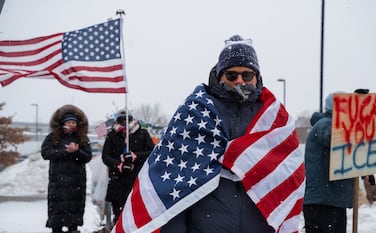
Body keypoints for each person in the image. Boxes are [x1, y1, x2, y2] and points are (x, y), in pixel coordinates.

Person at [153, 35, 304, 233]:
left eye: (247, 75)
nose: (239, 81)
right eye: (231, 75)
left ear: (257, 77)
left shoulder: (274, 119)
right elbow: (171, 183)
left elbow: (289, 176)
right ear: (219, 76)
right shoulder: (196, 113)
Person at [302, 93, 354, 233]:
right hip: (322, 203)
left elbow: (346, 154)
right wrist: (359, 113)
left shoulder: (334, 124)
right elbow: (337, 139)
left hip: (332, 200)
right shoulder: (325, 124)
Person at [41, 104, 92, 233]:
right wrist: (65, 151)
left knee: (73, 217)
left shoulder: (82, 138)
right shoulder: (53, 137)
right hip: (58, 183)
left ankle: (73, 229)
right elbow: (45, 153)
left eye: (73, 122)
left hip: (76, 184)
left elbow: (87, 157)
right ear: (63, 123)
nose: (71, 124)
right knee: (57, 217)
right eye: (68, 122)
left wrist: (76, 152)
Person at [102, 109, 155, 226]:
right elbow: (106, 156)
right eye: (121, 120)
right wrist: (119, 166)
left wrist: (135, 156)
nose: (124, 122)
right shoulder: (112, 135)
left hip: (137, 180)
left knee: (137, 215)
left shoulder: (142, 134)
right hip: (117, 181)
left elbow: (152, 152)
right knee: (119, 215)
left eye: (126, 119)